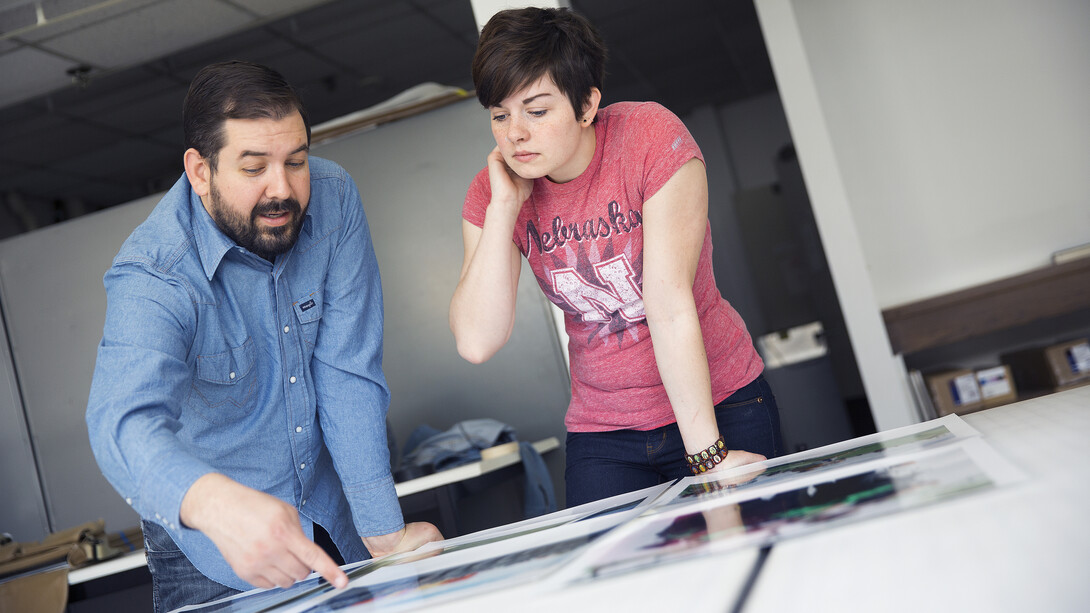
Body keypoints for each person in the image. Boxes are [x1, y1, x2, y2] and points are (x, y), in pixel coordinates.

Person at [86, 61, 441, 611]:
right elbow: (120, 422)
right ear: (200, 172)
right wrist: (215, 504)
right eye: (255, 168)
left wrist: (383, 532)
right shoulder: (155, 273)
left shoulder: (333, 196)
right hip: (212, 552)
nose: (284, 190)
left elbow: (347, 371)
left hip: (330, 515)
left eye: (295, 161)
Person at [450, 7, 783, 507]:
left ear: (587, 105)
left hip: (719, 405)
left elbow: (669, 305)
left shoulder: (650, 138)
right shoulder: (494, 191)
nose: (514, 133)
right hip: (605, 434)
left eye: (536, 111)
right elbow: (476, 341)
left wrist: (709, 461)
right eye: (500, 115)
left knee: (752, 558)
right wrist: (503, 209)